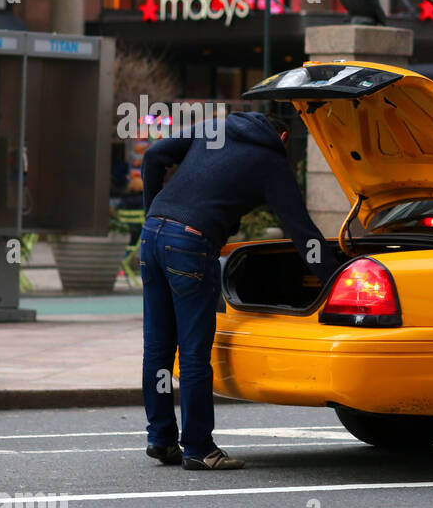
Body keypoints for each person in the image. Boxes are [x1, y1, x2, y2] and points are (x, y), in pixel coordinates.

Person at [140, 110, 340, 470]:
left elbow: (155, 155)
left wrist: (152, 210)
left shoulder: (214, 127)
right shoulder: (269, 160)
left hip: (152, 236)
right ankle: (199, 448)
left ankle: (161, 438)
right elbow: (301, 231)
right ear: (282, 139)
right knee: (194, 352)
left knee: (157, 346)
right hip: (191, 245)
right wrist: (333, 276)